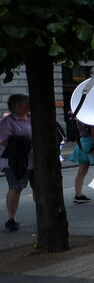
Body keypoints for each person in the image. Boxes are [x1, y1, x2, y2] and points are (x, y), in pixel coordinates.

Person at [0, 94, 34, 232]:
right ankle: (11, 219)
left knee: (38, 188)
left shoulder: (32, 117)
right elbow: (3, 141)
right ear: (19, 106)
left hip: (34, 159)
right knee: (16, 188)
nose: (30, 105)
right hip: (15, 162)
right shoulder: (8, 122)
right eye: (28, 103)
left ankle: (44, 215)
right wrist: (28, 140)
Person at [70, 117, 94, 204]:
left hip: (82, 143)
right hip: (93, 144)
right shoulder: (93, 116)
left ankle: (78, 195)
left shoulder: (81, 116)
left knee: (81, 171)